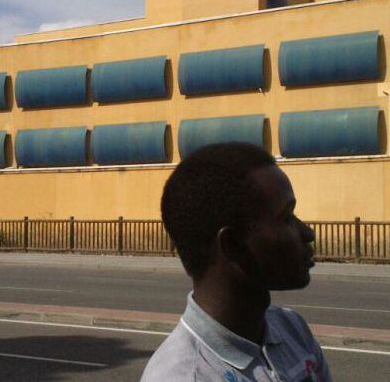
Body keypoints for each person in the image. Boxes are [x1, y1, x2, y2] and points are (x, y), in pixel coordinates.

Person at [141, 142, 331, 382]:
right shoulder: (186, 376)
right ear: (233, 245)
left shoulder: (291, 328)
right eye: (286, 218)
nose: (307, 232)